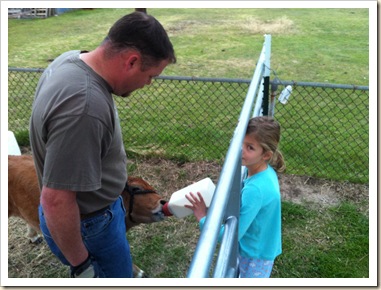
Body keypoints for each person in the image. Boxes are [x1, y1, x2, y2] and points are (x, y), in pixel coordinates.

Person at [29, 11, 176, 278]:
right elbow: (56, 201)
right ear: (132, 61)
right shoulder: (84, 107)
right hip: (91, 226)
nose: (148, 83)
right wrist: (83, 266)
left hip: (91, 219)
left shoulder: (70, 59)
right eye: (151, 75)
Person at [185, 116, 285, 278]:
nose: (241, 150)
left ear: (266, 155)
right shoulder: (262, 172)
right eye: (240, 143)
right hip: (258, 245)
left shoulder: (256, 190)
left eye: (250, 147)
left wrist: (203, 217)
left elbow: (230, 237)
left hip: (255, 255)